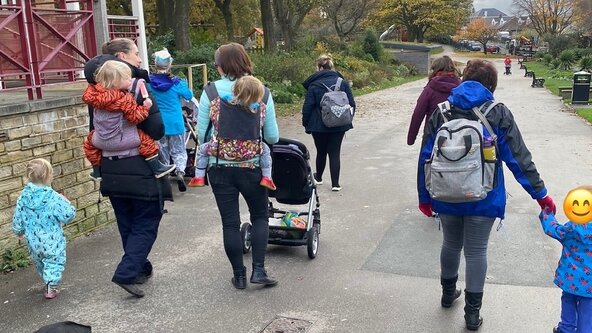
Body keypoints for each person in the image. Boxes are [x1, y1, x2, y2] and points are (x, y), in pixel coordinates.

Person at [416, 59, 556, 330]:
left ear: (463, 78)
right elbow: (518, 159)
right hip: (484, 195)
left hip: (445, 194)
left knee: (450, 243)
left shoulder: (441, 112)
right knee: (476, 250)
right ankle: (471, 314)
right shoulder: (497, 112)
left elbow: (425, 158)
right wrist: (540, 195)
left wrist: (424, 196)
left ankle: (447, 294)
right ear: (491, 85)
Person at [83, 38, 173, 298]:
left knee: (127, 221)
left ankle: (138, 267)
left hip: (109, 167)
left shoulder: (96, 93)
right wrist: (144, 111)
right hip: (139, 166)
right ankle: (126, 272)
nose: (140, 59)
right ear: (121, 59)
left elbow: (95, 131)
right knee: (147, 220)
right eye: (136, 54)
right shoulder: (136, 89)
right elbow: (156, 129)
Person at [196, 42, 279, 289]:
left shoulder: (210, 92)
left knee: (230, 223)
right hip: (253, 167)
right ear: (246, 61)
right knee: (260, 216)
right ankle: (259, 271)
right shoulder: (261, 91)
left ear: (220, 66)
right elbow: (272, 137)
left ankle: (239, 276)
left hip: (220, 166)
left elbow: (202, 135)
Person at [82, 60, 175, 179]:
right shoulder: (124, 98)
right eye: (127, 78)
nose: (131, 80)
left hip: (100, 140)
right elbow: (134, 118)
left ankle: (96, 170)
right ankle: (157, 168)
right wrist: (146, 107)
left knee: (89, 144)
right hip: (121, 140)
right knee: (145, 140)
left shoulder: (93, 96)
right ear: (116, 82)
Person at [190, 75, 276, 191]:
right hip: (251, 154)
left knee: (203, 149)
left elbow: (202, 135)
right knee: (265, 150)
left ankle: (199, 176)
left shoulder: (219, 104)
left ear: (234, 90)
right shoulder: (259, 109)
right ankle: (267, 177)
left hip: (220, 152)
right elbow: (272, 138)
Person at [12, 158, 76, 299]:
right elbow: (68, 215)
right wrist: (67, 203)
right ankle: (51, 287)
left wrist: (18, 231)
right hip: (52, 240)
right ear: (48, 176)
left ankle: (47, 280)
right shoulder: (53, 197)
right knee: (54, 261)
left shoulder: (23, 197)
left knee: (40, 262)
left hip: (33, 241)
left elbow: (18, 217)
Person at [539, 185, 592, 333]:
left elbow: (552, 229)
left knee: (568, 302)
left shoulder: (572, 228)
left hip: (570, 280)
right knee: (588, 311)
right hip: (590, 286)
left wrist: (547, 213)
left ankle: (566, 328)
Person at [302, 54, 355, 191]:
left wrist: (306, 124)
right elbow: (352, 103)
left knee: (321, 151)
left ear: (319, 67)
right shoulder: (341, 82)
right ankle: (335, 184)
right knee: (334, 152)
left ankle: (318, 177)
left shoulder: (314, 85)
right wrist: (346, 119)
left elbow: (307, 107)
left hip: (318, 126)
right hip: (339, 124)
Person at [148, 48, 197, 192]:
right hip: (175, 122)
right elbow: (188, 95)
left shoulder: (149, 83)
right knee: (179, 150)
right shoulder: (176, 83)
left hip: (158, 122)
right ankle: (180, 172)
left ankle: (165, 175)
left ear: (154, 64)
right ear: (169, 65)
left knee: (162, 150)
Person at [407, 55, 461, 146]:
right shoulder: (461, 87)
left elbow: (418, 114)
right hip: (458, 135)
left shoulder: (430, 88)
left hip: (432, 134)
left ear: (435, 70)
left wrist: (411, 139)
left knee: (427, 159)